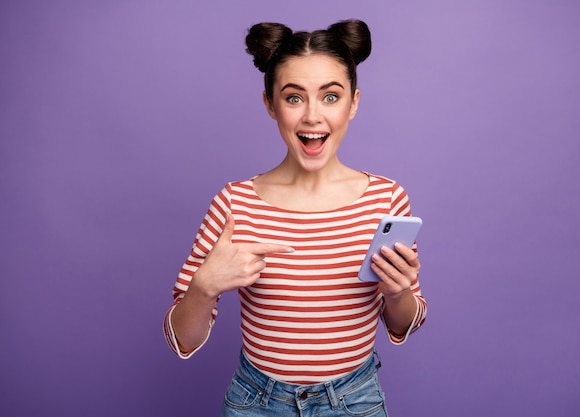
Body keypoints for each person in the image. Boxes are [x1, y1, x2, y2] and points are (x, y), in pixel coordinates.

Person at [163, 19, 427, 417]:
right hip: (257, 403)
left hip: (354, 401)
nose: (312, 117)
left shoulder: (387, 200)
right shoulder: (235, 204)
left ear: (354, 102)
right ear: (270, 104)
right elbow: (182, 339)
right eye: (294, 98)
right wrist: (203, 287)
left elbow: (405, 323)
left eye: (330, 97)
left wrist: (397, 292)